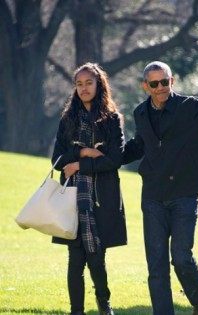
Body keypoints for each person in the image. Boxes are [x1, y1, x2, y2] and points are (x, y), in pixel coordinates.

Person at [123, 61, 198, 315]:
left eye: (165, 81)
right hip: (152, 195)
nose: (161, 87)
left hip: (184, 194)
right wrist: (110, 156)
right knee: (156, 264)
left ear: (172, 81)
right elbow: (140, 145)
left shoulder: (191, 107)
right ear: (146, 87)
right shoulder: (140, 113)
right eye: (155, 83)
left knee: (181, 256)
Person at [51, 62, 127, 315]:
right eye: (79, 84)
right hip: (72, 200)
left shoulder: (112, 120)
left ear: (99, 85)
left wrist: (78, 165)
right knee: (75, 259)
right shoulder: (68, 119)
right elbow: (57, 160)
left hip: (101, 200)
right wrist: (84, 152)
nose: (83, 88)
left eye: (88, 83)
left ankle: (104, 305)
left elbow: (114, 160)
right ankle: (76, 311)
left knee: (97, 258)